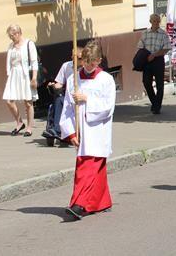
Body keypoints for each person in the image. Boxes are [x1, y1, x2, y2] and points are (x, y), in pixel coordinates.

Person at [60, 42, 116, 220]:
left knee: (88, 168)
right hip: (81, 131)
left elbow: (108, 107)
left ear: (99, 61)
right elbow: (67, 109)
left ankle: (78, 204)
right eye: (85, 62)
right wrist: (71, 133)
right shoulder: (73, 80)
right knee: (93, 168)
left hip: (98, 131)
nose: (88, 66)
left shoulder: (106, 79)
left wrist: (87, 99)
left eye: (92, 63)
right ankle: (101, 201)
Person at [3, 24, 38, 137]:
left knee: (28, 102)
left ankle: (29, 128)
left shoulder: (29, 44)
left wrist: (34, 78)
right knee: (9, 100)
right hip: (14, 74)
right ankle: (19, 122)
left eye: (12, 36)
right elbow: (9, 62)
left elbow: (34, 62)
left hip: (25, 75)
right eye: (10, 37)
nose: (11, 38)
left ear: (18, 33)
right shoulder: (11, 46)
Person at [43, 48, 82, 143]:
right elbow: (60, 83)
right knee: (59, 99)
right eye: (73, 56)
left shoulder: (85, 68)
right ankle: (57, 130)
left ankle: (59, 130)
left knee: (64, 101)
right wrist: (53, 85)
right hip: (68, 96)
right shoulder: (66, 66)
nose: (75, 58)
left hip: (80, 97)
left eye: (78, 57)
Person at [136, 14, 170, 114]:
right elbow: (140, 46)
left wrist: (155, 55)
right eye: (154, 21)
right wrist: (142, 56)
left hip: (158, 60)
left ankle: (157, 107)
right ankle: (155, 102)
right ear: (150, 22)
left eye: (157, 21)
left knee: (160, 84)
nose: (156, 23)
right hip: (147, 60)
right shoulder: (145, 33)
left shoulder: (163, 34)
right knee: (146, 82)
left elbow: (166, 48)